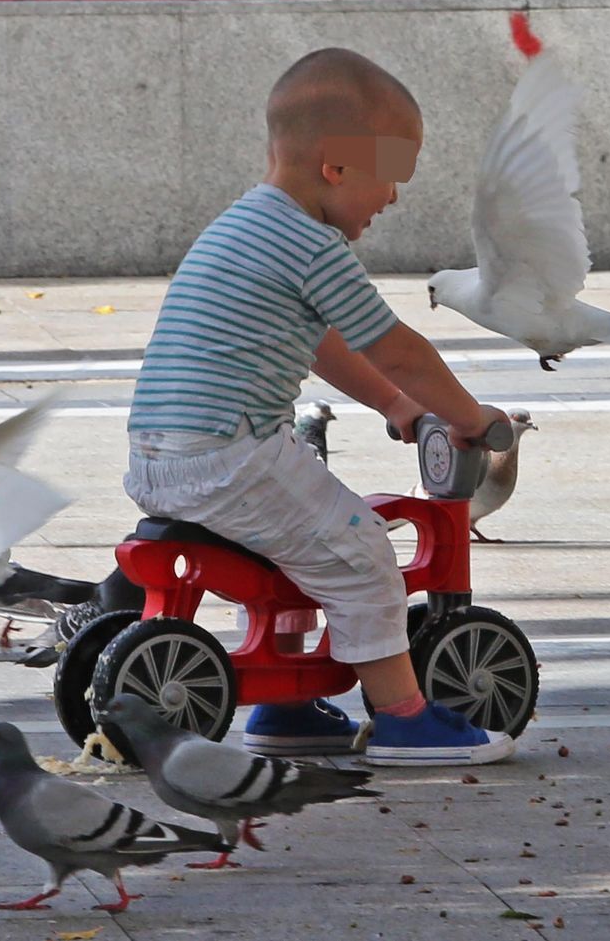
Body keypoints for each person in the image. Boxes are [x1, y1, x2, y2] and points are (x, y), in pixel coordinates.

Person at [123, 47, 513, 766]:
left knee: (300, 551)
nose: (392, 199)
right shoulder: (311, 245)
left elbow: (322, 342)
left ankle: (287, 698)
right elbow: (396, 347)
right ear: (336, 167)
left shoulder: (242, 225)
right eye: (390, 177)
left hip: (161, 456)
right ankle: (403, 718)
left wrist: (395, 404)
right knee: (359, 551)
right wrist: (468, 417)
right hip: (230, 456)